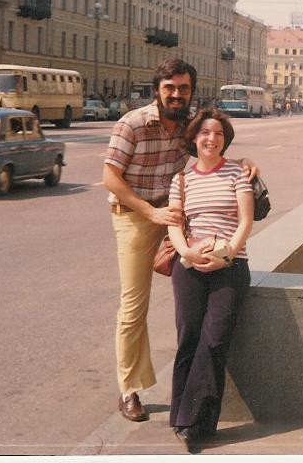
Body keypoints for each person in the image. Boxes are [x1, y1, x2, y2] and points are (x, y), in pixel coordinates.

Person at [103, 58, 257, 423]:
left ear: (191, 91)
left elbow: (211, 150)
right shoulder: (133, 123)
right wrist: (150, 212)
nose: (176, 94)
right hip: (136, 215)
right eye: (169, 87)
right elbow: (109, 177)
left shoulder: (188, 126)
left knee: (197, 301)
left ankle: (192, 397)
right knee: (133, 305)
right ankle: (130, 389)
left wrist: (245, 162)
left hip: (178, 216)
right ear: (157, 89)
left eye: (183, 88)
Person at [166, 109, 254, 450]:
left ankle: (190, 419)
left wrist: (227, 254)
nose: (211, 138)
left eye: (218, 133)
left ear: (225, 140)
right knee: (189, 338)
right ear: (194, 139)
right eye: (204, 133)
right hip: (188, 266)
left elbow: (246, 220)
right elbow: (173, 223)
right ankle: (189, 419)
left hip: (230, 267)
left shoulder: (237, 174)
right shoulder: (182, 179)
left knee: (214, 341)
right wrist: (186, 253)